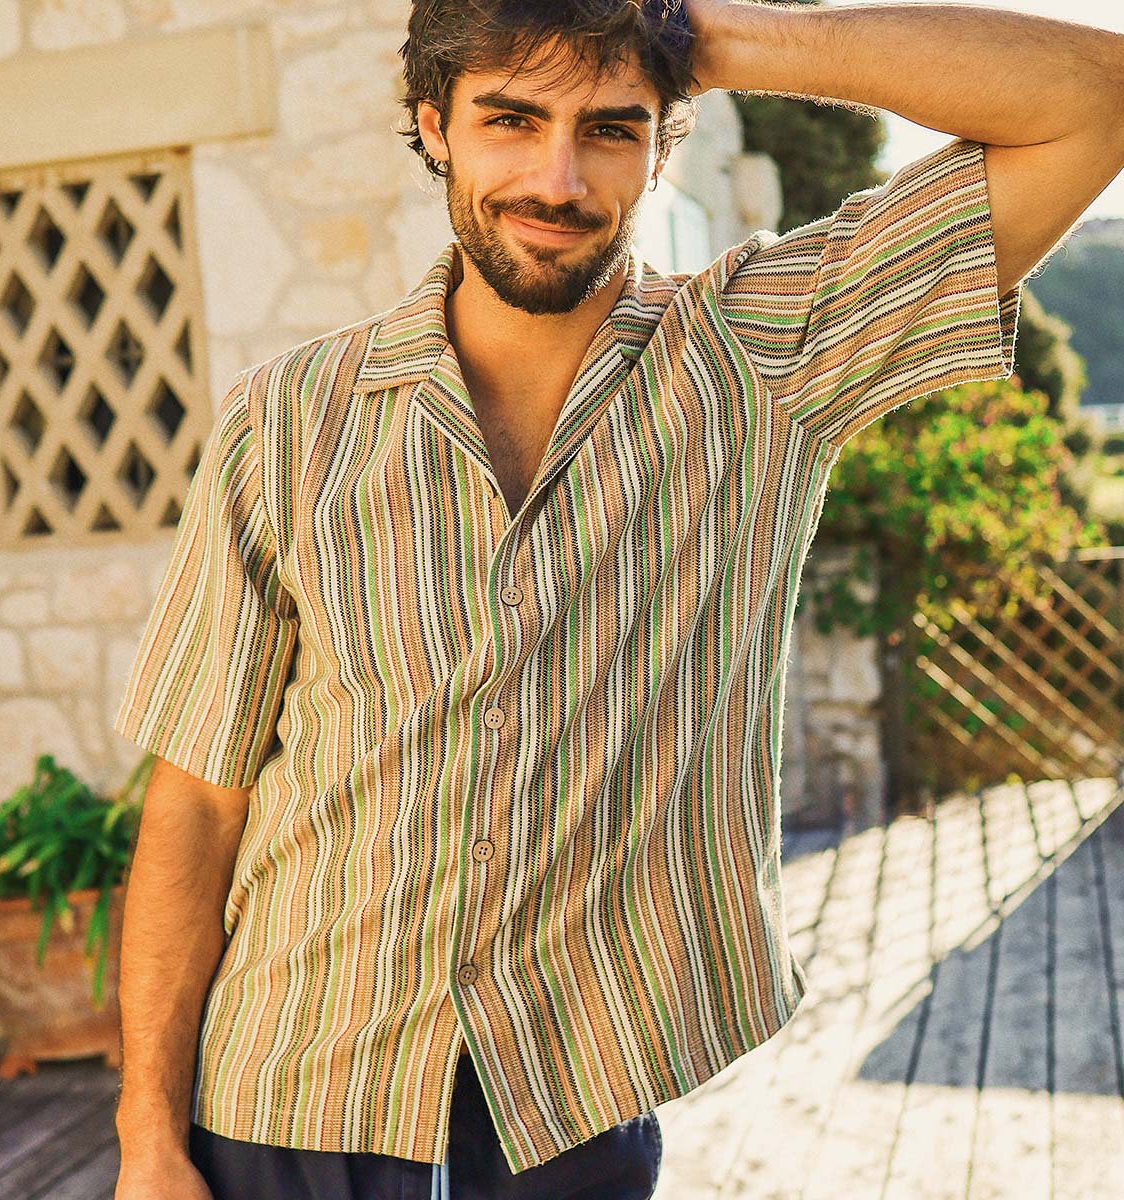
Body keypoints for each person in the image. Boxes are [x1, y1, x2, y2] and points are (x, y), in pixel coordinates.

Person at [111, 1, 1124, 1197]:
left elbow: (1094, 99)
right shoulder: (286, 422)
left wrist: (696, 36)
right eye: (510, 119)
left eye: (609, 128)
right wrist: (147, 1137)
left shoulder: (762, 358)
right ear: (433, 125)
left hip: (565, 1115)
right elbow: (198, 804)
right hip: (284, 1097)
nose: (557, 179)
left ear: (661, 145)